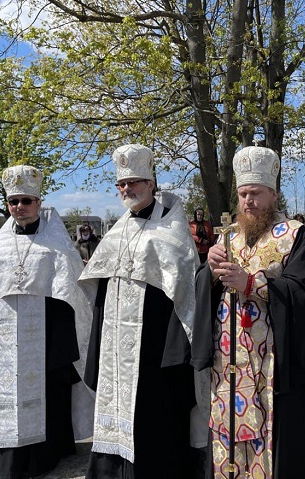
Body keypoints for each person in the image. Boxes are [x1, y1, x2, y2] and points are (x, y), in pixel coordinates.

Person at [0, 165, 96, 479]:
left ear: (38, 202)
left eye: (26, 200)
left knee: (49, 394)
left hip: (45, 335)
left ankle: (49, 453)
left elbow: (71, 290)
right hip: (3, 335)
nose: (19, 207)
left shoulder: (57, 245)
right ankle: (4, 460)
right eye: (13, 201)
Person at [193, 145, 305, 479]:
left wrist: (252, 285)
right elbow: (205, 289)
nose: (248, 201)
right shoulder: (229, 237)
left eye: (256, 194)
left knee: (271, 433)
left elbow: (303, 292)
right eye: (243, 194)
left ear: (273, 195)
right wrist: (208, 270)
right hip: (228, 358)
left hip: (271, 361)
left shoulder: (294, 235)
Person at [79, 144, 200, 479]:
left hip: (155, 344)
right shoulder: (116, 231)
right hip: (116, 343)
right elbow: (99, 287)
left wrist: (177, 350)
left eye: (134, 182)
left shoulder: (172, 232)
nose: (127, 189)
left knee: (154, 411)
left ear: (151, 183)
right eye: (122, 184)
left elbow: (183, 293)